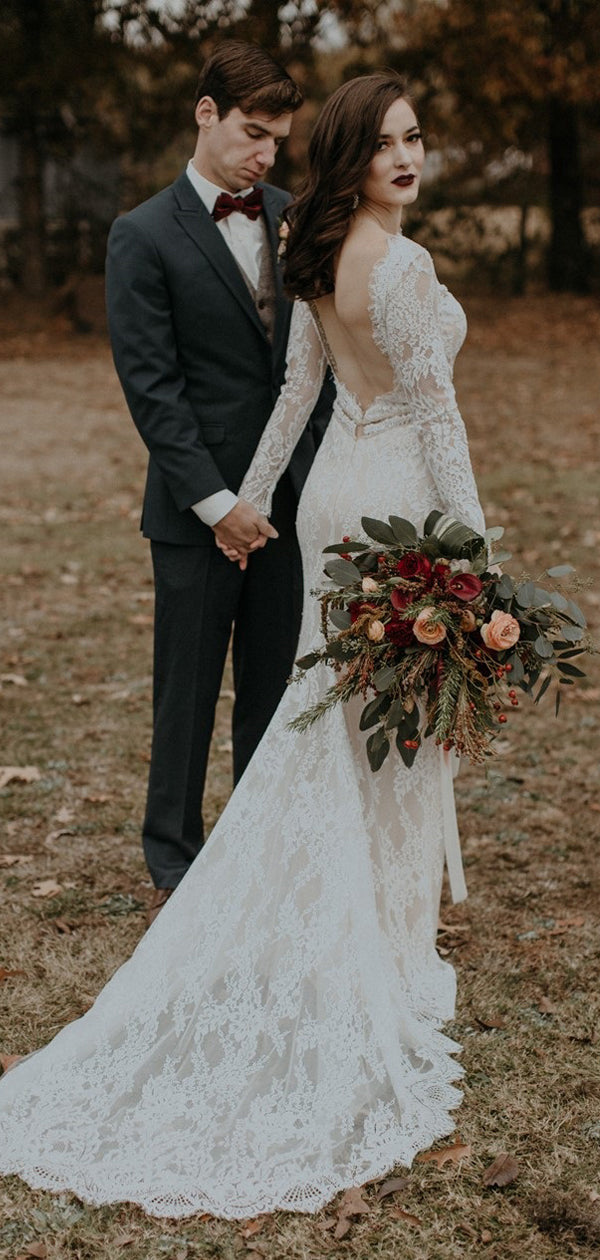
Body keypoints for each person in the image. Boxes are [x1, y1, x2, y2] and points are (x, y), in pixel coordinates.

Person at [0, 71, 486, 1219]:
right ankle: (367, 938)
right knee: (335, 716)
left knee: (322, 710)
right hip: (364, 498)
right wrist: (474, 549)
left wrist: (270, 493)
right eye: (389, 145)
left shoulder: (307, 249)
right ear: (357, 159)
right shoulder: (395, 267)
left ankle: (372, 923)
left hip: (325, 504)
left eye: (418, 140)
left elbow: (295, 393)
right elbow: (436, 412)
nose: (409, 159)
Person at [105, 42, 333, 921]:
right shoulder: (142, 233)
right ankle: (173, 855)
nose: (266, 155)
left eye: (277, 139)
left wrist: (290, 491)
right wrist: (217, 505)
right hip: (195, 509)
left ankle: (257, 842)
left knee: (274, 686)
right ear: (205, 113)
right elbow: (152, 388)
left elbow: (313, 367)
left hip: (287, 504)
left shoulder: (295, 215)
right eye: (251, 133)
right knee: (188, 689)